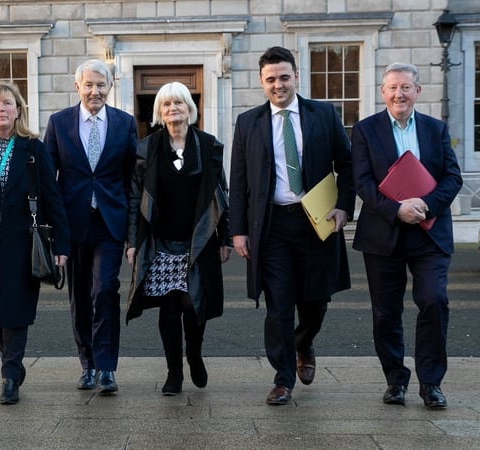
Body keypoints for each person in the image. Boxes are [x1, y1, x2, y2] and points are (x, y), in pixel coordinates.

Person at [228, 46, 355, 405]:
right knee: (279, 306)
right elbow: (238, 181)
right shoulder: (248, 122)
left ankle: (304, 342)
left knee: (315, 303)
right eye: (270, 79)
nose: (278, 85)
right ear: (261, 82)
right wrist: (237, 230)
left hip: (317, 224)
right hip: (272, 228)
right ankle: (283, 378)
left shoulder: (324, 115)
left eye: (284, 77)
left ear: (296, 77)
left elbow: (347, 166)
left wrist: (345, 207)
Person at [351, 63, 462, 409]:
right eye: (393, 87)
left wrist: (426, 205)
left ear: (418, 91)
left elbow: (452, 177)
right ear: (383, 92)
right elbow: (363, 182)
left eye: (406, 87)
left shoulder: (435, 129)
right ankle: (395, 380)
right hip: (384, 233)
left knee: (433, 300)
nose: (399, 94)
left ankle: (431, 383)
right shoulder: (365, 130)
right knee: (385, 312)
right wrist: (396, 209)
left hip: (429, 234)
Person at [0, 82, 70, 405]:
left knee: (15, 310)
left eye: (7, 103)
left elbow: (52, 197)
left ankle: (8, 378)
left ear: (18, 110)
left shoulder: (33, 148)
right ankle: (14, 362)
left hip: (23, 244)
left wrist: (61, 244)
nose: (0, 109)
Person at [126, 82, 231, 395]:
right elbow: (134, 198)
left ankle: (194, 355)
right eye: (167, 104)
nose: (173, 109)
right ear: (159, 112)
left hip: (197, 243)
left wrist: (224, 237)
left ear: (190, 109)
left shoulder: (209, 146)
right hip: (160, 244)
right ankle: (174, 372)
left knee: (194, 305)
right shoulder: (147, 148)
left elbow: (221, 196)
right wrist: (132, 241)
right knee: (170, 308)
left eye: (179, 103)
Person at [43, 59, 137, 394]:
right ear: (77, 86)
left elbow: (131, 182)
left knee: (106, 291)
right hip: (72, 225)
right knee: (80, 297)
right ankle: (88, 365)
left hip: (109, 223)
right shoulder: (59, 123)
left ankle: (107, 367)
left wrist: (131, 235)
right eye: (88, 85)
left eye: (101, 84)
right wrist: (53, 235)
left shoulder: (125, 124)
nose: (94, 91)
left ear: (110, 86)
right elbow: (48, 184)